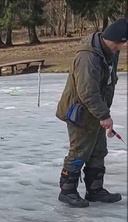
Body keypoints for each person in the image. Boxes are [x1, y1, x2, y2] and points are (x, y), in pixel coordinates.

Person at [56, 18, 127, 207]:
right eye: (124, 43)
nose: (124, 47)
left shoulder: (110, 51)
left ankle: (95, 190)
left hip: (96, 110)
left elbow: (107, 83)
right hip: (79, 112)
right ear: (119, 39)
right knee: (80, 150)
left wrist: (103, 113)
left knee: (98, 151)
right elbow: (87, 91)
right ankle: (67, 190)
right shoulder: (88, 57)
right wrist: (104, 115)